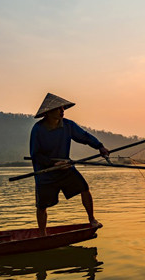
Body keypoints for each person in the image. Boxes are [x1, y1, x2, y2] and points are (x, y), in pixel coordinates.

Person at [30, 93, 110, 236]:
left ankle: (92, 219)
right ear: (48, 113)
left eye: (63, 108)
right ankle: (42, 234)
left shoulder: (68, 125)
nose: (62, 111)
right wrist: (52, 164)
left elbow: (84, 136)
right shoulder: (38, 129)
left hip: (65, 168)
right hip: (45, 172)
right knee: (42, 205)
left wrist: (100, 146)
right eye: (58, 109)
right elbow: (35, 155)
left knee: (84, 188)